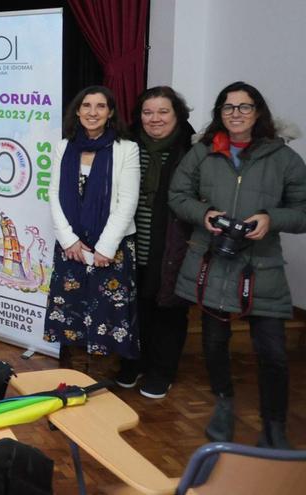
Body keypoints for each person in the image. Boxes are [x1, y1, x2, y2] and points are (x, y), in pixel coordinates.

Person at [169, 81, 306, 449]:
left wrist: (270, 219)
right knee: (215, 343)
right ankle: (224, 403)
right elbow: (177, 195)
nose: (236, 114)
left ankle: (274, 423)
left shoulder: (283, 158)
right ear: (220, 114)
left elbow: (302, 210)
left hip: (262, 267)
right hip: (214, 260)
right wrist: (205, 214)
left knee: (274, 352)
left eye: (244, 107)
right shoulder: (203, 153)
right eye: (228, 108)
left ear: (258, 112)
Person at [43, 86, 140, 366]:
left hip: (112, 250)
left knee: (107, 315)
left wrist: (106, 247)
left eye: (100, 106)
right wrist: (68, 240)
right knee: (69, 310)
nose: (92, 112)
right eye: (86, 105)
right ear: (77, 111)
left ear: (110, 113)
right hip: (71, 246)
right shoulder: (64, 146)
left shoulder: (127, 149)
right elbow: (53, 193)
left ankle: (101, 377)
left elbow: (127, 201)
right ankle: (71, 373)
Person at [114, 86, 195, 399]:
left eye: (163, 112)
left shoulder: (191, 149)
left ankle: (162, 371)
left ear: (177, 115)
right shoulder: (126, 145)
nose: (155, 119)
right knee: (134, 308)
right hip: (132, 243)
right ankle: (133, 362)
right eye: (148, 112)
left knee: (169, 311)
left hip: (173, 245)